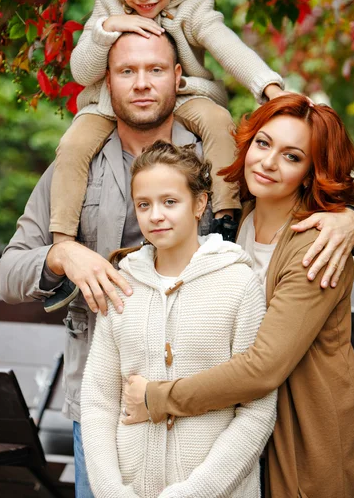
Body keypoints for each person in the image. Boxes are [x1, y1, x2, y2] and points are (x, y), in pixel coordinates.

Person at [0, 33, 354, 497]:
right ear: (107, 82)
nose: (142, 84)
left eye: (155, 70)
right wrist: (61, 254)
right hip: (112, 410)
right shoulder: (75, 167)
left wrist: (351, 219)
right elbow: (8, 271)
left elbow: (307, 181)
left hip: (236, 421)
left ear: (178, 78)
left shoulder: (218, 161)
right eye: (127, 71)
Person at [123, 94, 354, 498]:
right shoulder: (238, 216)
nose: (268, 162)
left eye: (292, 156)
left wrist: (158, 398)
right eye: (263, 143)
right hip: (242, 421)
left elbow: (263, 367)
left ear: (311, 172)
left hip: (305, 424)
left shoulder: (316, 245)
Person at [48, 0, 287, 274]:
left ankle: (225, 216)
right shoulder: (108, 8)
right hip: (109, 106)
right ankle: (63, 242)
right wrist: (109, 29)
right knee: (72, 145)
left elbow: (226, 46)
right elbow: (82, 72)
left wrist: (268, 87)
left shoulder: (192, 9)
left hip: (181, 96)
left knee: (219, 121)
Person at [81, 140, 277, 498]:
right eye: (144, 204)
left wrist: (194, 493)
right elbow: (99, 400)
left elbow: (257, 408)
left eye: (170, 202)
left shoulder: (238, 283)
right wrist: (112, 491)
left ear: (199, 204)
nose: (155, 215)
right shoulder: (122, 284)